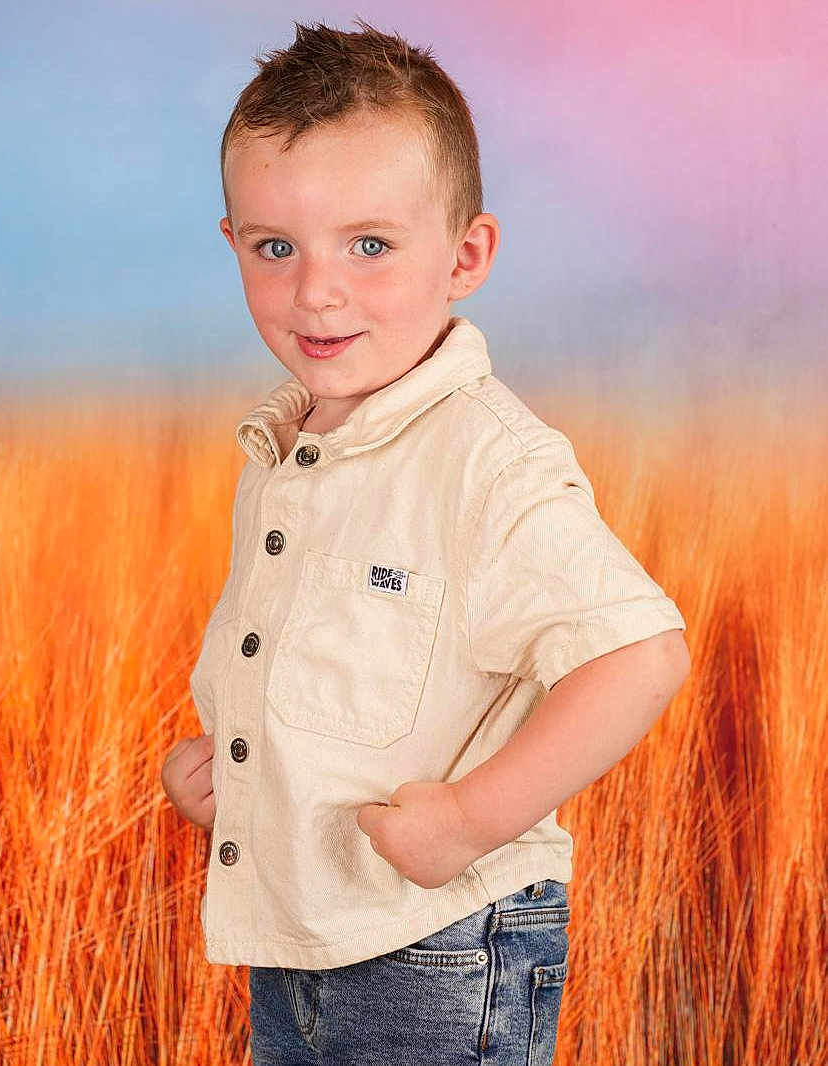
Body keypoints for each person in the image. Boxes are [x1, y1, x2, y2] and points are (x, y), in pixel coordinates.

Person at [160, 17, 691, 1065]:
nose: (317, 289)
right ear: (232, 244)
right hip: (300, 932)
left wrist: (467, 819)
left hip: (440, 941)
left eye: (369, 245)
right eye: (277, 247)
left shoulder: (484, 461)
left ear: (466, 255)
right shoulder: (291, 444)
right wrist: (231, 761)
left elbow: (640, 654)